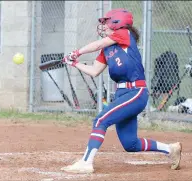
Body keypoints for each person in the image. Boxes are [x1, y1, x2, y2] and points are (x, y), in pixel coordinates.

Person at [60, 8, 182, 174]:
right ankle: (170, 149)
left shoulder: (124, 34)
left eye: (107, 23)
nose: (103, 26)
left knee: (100, 120)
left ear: (117, 23)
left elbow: (97, 44)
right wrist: (74, 63)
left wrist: (77, 52)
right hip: (122, 95)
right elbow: (95, 71)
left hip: (136, 92)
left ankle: (86, 162)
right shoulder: (107, 50)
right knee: (130, 144)